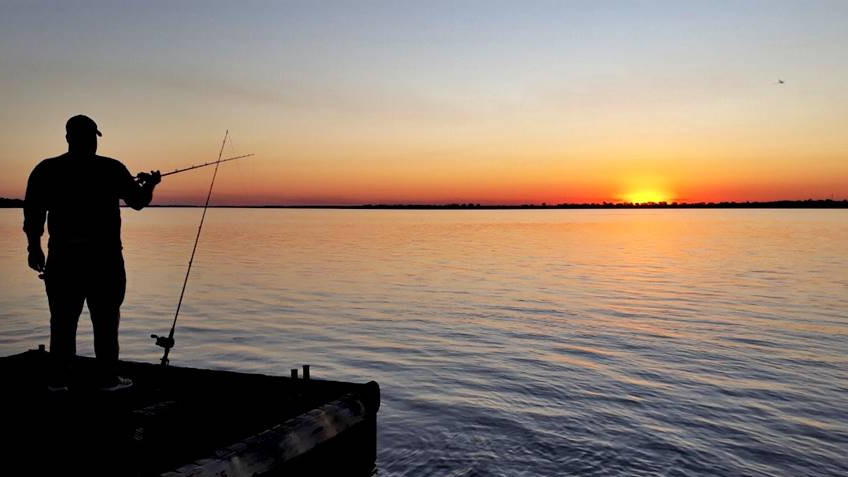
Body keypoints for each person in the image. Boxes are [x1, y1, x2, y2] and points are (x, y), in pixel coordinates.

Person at [23, 115, 161, 391]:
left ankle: (59, 381)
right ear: (89, 138)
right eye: (91, 137)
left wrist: (34, 248)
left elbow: (33, 214)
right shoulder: (111, 168)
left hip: (63, 259)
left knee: (62, 323)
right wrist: (150, 184)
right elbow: (138, 202)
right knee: (106, 322)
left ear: (68, 138)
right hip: (105, 261)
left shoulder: (47, 169)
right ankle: (107, 380)